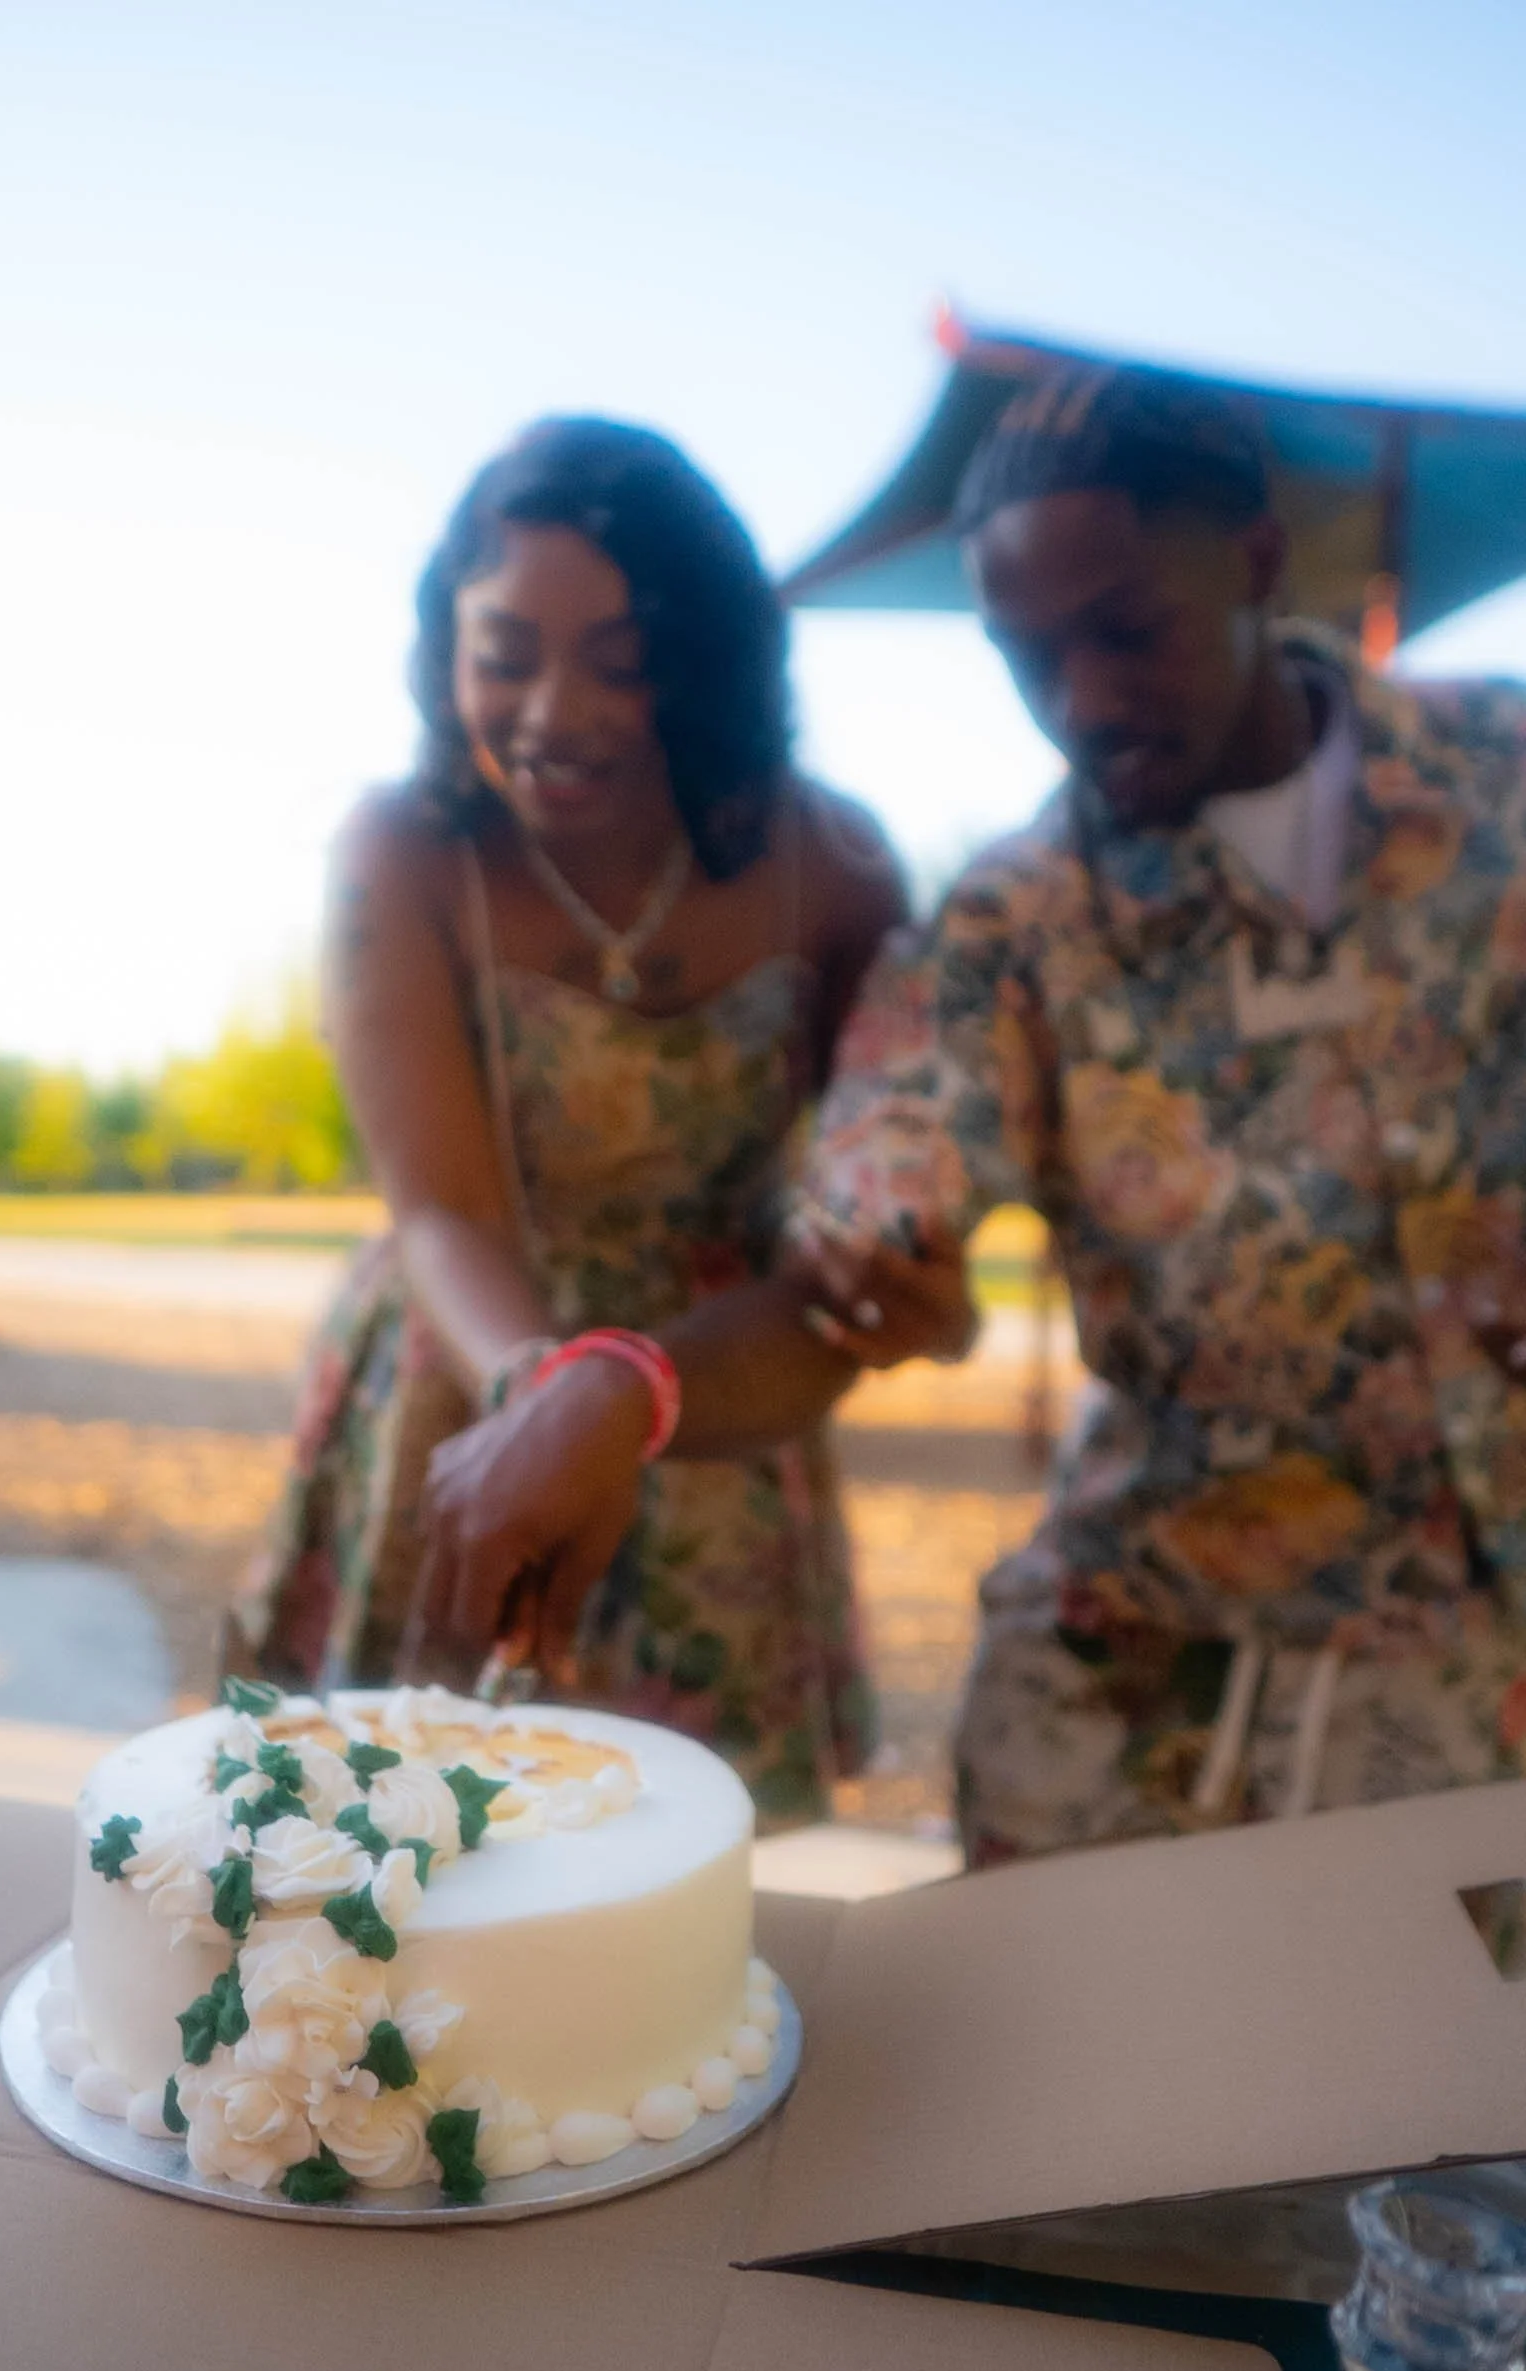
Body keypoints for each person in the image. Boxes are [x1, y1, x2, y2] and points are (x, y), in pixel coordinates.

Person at [421, 367, 1526, 1863]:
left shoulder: (1502, 790)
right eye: (1027, 653)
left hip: (1487, 1690)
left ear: (1257, 562)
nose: (1082, 701)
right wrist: (617, 1388)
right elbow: (847, 1269)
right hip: (1139, 1698)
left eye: (1127, 630)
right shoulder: (1014, 926)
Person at [223, 415, 971, 1826]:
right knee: (406, 1844)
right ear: (446, 644)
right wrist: (543, 1400)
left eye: (622, 666)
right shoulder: (407, 851)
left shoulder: (838, 866)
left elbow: (882, 1180)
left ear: (709, 667)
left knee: (678, 1885)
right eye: (505, 655)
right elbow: (442, 1209)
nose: (554, 713)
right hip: (473, 1371)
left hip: (716, 1395)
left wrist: (908, 1272)